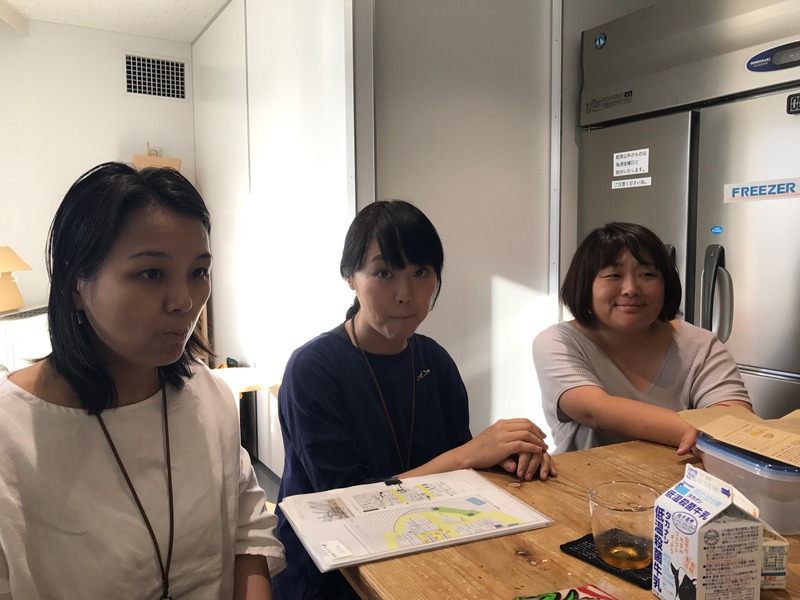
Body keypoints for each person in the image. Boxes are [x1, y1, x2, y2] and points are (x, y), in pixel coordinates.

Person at [0, 162, 285, 599]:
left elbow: (248, 531)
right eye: (152, 273)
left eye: (199, 272)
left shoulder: (208, 395)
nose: (184, 301)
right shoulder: (12, 435)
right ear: (76, 285)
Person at [273, 200, 555, 599]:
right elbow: (345, 502)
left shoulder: (434, 360)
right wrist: (470, 454)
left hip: (424, 553)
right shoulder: (313, 368)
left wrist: (514, 455)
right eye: (384, 273)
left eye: (420, 272)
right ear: (350, 277)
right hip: (333, 574)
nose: (406, 294)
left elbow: (463, 472)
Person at [533, 222, 752, 455]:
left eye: (647, 274)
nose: (631, 289)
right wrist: (706, 433)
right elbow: (595, 410)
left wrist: (724, 428)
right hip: (582, 475)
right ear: (585, 285)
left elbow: (736, 418)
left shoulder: (700, 344)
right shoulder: (559, 342)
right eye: (614, 275)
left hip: (678, 476)